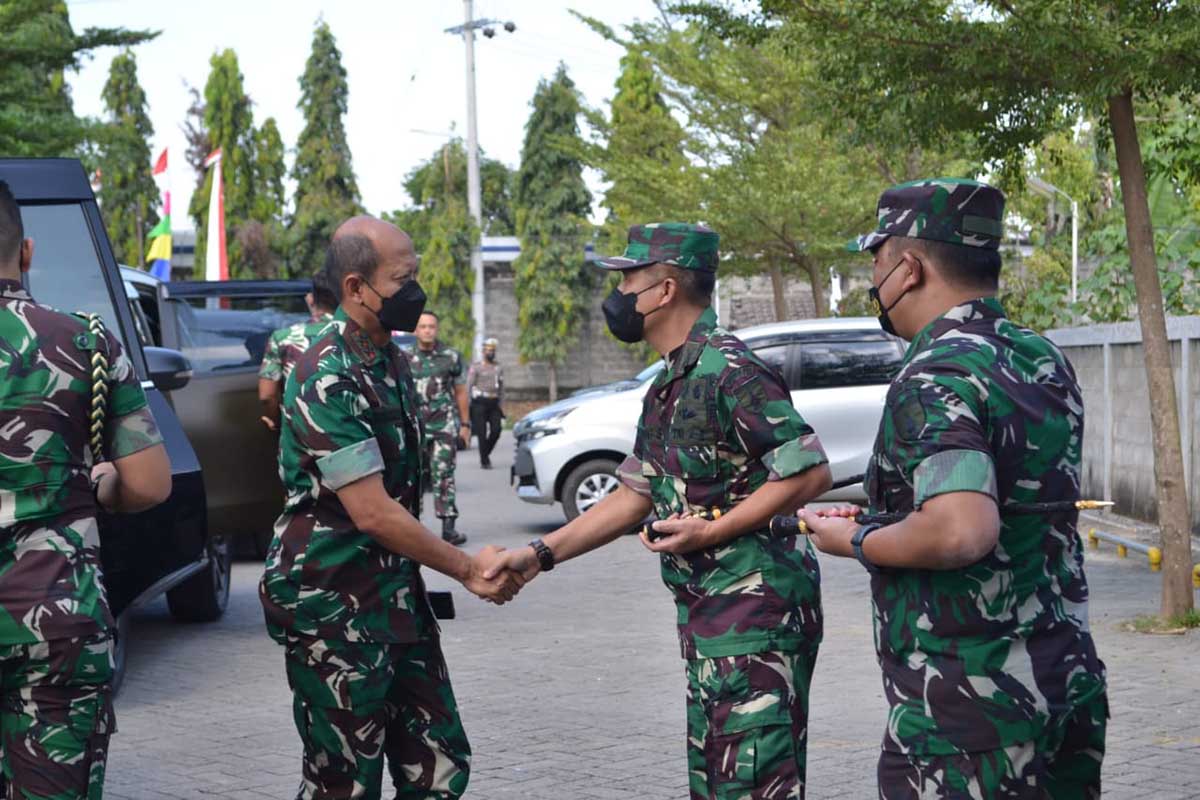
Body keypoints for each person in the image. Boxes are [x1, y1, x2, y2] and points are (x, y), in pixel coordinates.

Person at [485, 223, 833, 799]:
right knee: (716, 786)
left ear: (665, 289)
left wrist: (712, 529)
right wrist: (537, 555)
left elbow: (808, 470)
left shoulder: (729, 369)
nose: (618, 295)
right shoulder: (671, 382)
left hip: (756, 624)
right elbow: (634, 494)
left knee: (750, 788)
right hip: (709, 623)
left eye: (628, 280)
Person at [798, 179, 1108, 799]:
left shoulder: (936, 372)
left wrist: (852, 541)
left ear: (908, 267)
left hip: (969, 710)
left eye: (877, 259)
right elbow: (1010, 499)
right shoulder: (1038, 357)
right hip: (1063, 679)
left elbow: (959, 528)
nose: (874, 275)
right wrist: (884, 517)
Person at [258, 216, 525, 800]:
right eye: (402, 279)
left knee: (440, 763)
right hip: (334, 605)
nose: (416, 292)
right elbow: (373, 512)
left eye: (416, 276)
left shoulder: (389, 358)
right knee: (343, 783)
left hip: (395, 599)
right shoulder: (325, 372)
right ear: (356, 288)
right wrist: (467, 568)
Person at [0, 179, 172, 798]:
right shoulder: (84, 340)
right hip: (56, 615)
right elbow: (150, 485)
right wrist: (102, 488)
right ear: (28, 252)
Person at [407, 311, 471, 545]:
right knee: (414, 476)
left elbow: (461, 392)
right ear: (415, 330)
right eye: (422, 326)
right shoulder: (403, 358)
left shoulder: (451, 356)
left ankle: (448, 527)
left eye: (431, 326)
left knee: (443, 473)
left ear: (437, 329)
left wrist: (465, 425)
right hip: (414, 427)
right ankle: (413, 527)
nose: (427, 330)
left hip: (444, 425)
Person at [257, 273, 338, 431]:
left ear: (310, 299)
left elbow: (267, 395)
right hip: (351, 436)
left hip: (300, 435)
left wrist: (276, 421)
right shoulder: (357, 334)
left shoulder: (283, 338)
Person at [466, 336, 504, 469]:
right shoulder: (476, 367)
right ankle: (485, 460)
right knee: (481, 433)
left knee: (496, 430)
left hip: (494, 402)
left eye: (492, 350)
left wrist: (501, 405)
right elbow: (468, 386)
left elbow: (501, 387)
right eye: (488, 350)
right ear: (483, 352)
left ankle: (485, 453)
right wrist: (467, 405)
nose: (490, 353)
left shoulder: (498, 367)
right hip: (479, 403)